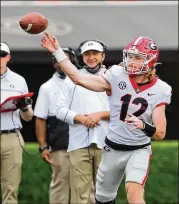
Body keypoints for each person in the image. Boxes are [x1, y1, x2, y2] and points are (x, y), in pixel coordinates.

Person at [41, 34, 172, 204]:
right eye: (130, 56)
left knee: (134, 192)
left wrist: (143, 126)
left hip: (139, 148)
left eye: (138, 58)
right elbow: (78, 78)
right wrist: (57, 52)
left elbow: (160, 133)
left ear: (150, 61)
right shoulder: (117, 75)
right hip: (112, 148)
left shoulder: (161, 89)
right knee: (103, 199)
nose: (131, 61)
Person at [56, 40, 110, 204]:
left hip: (107, 143)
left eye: (95, 53)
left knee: (105, 194)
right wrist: (79, 118)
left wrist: (100, 115)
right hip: (78, 143)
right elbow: (59, 109)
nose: (91, 57)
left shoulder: (114, 78)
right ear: (82, 57)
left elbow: (124, 110)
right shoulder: (71, 79)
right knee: (80, 195)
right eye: (87, 54)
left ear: (103, 55)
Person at [34, 47, 78, 204]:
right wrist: (43, 146)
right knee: (60, 186)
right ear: (54, 64)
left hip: (84, 144)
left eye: (67, 59)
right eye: (60, 60)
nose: (64, 62)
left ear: (74, 61)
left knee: (86, 187)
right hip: (60, 146)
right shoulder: (47, 87)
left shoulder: (85, 82)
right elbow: (40, 119)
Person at [0, 42, 33, 204]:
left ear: (8, 57)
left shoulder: (18, 80)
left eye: (2, 54)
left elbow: (28, 117)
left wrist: (24, 107)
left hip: (11, 136)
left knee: (10, 187)